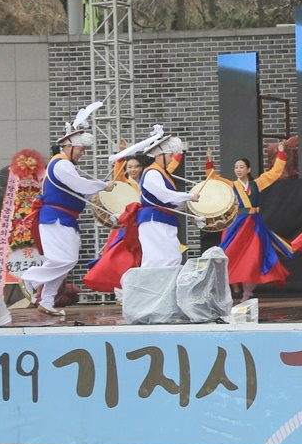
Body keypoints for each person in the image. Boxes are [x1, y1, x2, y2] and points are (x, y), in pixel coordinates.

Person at [20, 103, 114, 316]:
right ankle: (31, 279)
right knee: (63, 260)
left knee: (66, 261)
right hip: (55, 218)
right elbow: (83, 187)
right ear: (69, 145)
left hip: (64, 218)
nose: (83, 153)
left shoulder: (65, 166)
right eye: (81, 149)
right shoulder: (62, 165)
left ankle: (46, 300)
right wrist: (104, 185)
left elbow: (81, 193)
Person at [205, 142, 293, 300]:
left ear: (248, 169)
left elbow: (275, 172)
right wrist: (210, 162)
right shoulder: (231, 185)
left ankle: (247, 290)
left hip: (254, 225)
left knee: (252, 256)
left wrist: (281, 154)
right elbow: (213, 178)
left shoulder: (256, 184)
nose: (238, 170)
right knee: (229, 252)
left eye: (241, 167)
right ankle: (232, 281)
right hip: (237, 224)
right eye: (236, 167)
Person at [83, 149, 150, 294]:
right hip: (125, 226)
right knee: (121, 257)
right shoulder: (123, 183)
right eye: (129, 167)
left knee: (141, 256)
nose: (133, 170)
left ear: (141, 168)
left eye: (136, 166)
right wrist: (121, 154)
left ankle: (135, 290)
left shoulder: (145, 183)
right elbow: (117, 174)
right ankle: (120, 289)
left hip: (140, 224)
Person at [137, 131, 199, 267]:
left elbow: (172, 202)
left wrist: (192, 211)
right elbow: (165, 196)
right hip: (154, 219)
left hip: (162, 218)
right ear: (159, 155)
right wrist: (190, 196)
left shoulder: (159, 172)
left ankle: (162, 286)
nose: (172, 159)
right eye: (170, 155)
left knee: (172, 256)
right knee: (158, 258)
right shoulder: (152, 173)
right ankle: (152, 286)